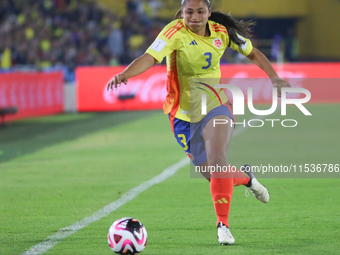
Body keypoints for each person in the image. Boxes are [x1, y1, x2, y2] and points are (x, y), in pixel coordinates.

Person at [107, 0, 291, 245]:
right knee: (216, 176)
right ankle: (247, 178)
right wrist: (125, 74)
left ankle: (223, 226)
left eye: (199, 11)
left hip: (216, 107)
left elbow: (254, 53)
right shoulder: (174, 32)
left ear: (209, 13)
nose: (194, 17)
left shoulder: (223, 33)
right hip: (182, 117)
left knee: (218, 164)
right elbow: (150, 57)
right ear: (182, 12)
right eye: (189, 12)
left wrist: (275, 79)